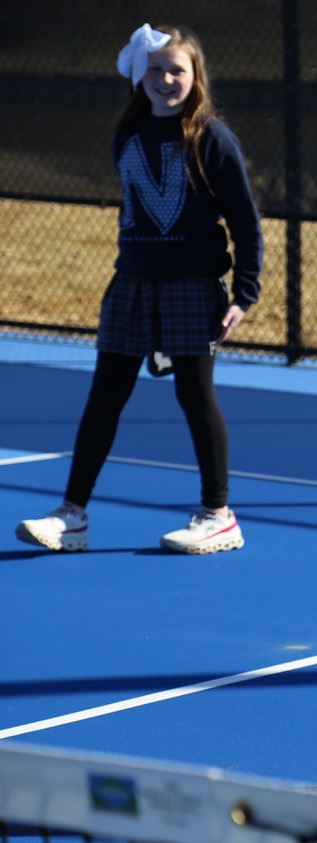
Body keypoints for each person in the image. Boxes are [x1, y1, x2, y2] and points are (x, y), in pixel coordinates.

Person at [15, 23, 263, 555]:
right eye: (156, 69)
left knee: (194, 396)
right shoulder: (127, 135)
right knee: (104, 397)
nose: (166, 79)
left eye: (177, 69)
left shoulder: (213, 138)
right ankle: (72, 516)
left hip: (192, 288)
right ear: (139, 75)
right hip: (130, 284)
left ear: (195, 77)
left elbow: (246, 220)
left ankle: (218, 515)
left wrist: (244, 293)